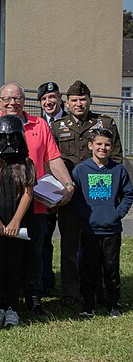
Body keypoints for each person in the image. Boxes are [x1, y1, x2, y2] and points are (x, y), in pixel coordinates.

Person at [0, 82, 74, 314]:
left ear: (24, 101)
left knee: (34, 252)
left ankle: (34, 297)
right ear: (0, 100)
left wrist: (68, 184)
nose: (12, 103)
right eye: (7, 99)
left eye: (17, 99)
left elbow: (53, 158)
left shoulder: (39, 126)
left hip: (33, 202)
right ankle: (3, 300)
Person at [50, 80, 123, 311]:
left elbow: (118, 159)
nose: (79, 104)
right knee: (70, 244)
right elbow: (52, 161)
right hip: (71, 196)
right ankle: (71, 292)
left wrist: (115, 197)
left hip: (99, 197)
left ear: (89, 100)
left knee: (99, 245)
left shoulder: (105, 123)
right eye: (74, 100)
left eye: (83, 99)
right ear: (67, 103)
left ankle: (100, 290)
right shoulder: (57, 126)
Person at [0, 116, 36, 327]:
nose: (9, 143)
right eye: (4, 138)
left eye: (14, 138)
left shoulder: (26, 163)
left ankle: (12, 307)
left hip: (17, 224)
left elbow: (28, 193)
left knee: (14, 265)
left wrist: (15, 222)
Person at [71, 129, 132, 319]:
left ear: (112, 148)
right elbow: (76, 197)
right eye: (98, 144)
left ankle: (113, 303)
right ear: (91, 146)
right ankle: (88, 304)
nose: (102, 148)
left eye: (106, 145)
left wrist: (118, 213)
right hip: (89, 229)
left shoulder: (118, 169)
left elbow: (128, 194)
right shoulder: (80, 170)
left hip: (111, 229)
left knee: (111, 267)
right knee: (90, 267)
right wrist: (85, 215)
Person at [37, 81, 63, 295]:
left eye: (52, 97)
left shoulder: (68, 122)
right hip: (42, 191)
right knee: (43, 238)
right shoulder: (36, 124)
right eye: (44, 99)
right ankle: (45, 281)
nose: (48, 102)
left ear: (60, 98)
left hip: (64, 187)